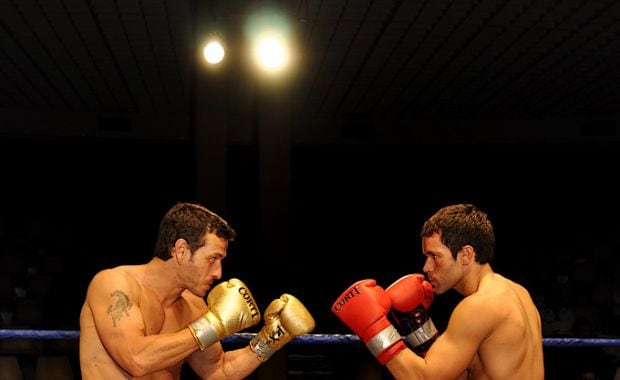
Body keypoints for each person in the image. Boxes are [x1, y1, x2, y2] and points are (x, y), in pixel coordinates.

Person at [79, 202, 315, 379]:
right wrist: (212, 325)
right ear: (181, 250)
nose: (219, 273)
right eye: (213, 258)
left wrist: (270, 339)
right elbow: (136, 359)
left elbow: (217, 370)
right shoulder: (114, 284)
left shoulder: (193, 305)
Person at [332, 203, 544, 379]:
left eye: (435, 256)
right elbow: (468, 373)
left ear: (466, 254)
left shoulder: (479, 306)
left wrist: (375, 330)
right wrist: (418, 328)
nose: (426, 267)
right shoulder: (518, 293)